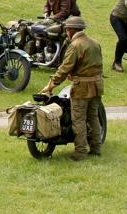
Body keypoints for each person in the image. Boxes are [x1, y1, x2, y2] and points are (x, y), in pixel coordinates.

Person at [39, 16, 104, 161]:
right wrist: (76, 74)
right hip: (97, 85)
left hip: (82, 88)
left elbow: (64, 68)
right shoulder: (95, 43)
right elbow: (94, 65)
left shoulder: (75, 45)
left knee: (79, 120)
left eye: (67, 30)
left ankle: (80, 153)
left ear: (70, 30)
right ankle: (96, 148)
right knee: (93, 117)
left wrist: (50, 85)